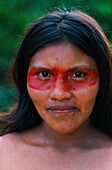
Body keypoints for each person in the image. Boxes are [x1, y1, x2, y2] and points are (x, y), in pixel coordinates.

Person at [0, 9, 112, 170]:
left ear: (104, 79)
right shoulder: (3, 153)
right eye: (44, 74)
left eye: (78, 74)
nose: (60, 94)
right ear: (23, 78)